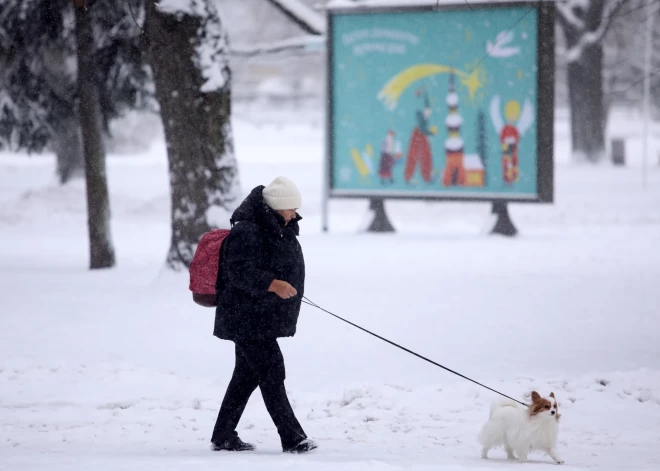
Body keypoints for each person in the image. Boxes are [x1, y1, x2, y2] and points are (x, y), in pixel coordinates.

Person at [210, 176, 317, 454]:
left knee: (245, 376)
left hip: (259, 317)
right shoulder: (247, 230)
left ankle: (223, 434)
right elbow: (239, 272)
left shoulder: (278, 226)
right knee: (272, 371)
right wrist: (274, 284)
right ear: (277, 206)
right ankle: (292, 438)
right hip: (245, 318)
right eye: (291, 208)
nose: (296, 214)